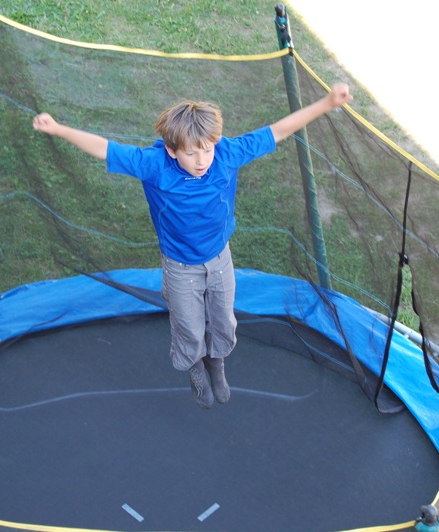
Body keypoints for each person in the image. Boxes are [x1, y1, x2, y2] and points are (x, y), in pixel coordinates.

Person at [33, 83, 352, 409]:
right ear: (172, 150)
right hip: (180, 266)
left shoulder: (226, 154)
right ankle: (196, 367)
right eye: (191, 153)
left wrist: (327, 103)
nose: (202, 161)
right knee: (189, 325)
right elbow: (105, 149)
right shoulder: (155, 165)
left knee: (223, 320)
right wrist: (58, 129)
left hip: (219, 258)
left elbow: (278, 130)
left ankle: (217, 362)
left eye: (207, 149)